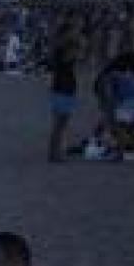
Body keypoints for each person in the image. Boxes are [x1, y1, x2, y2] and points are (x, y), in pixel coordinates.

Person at [48, 21, 81, 163]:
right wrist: (77, 48)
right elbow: (69, 60)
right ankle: (54, 154)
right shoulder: (66, 47)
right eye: (74, 30)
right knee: (61, 123)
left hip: (58, 84)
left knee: (59, 123)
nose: (76, 32)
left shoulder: (57, 47)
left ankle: (55, 152)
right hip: (65, 85)